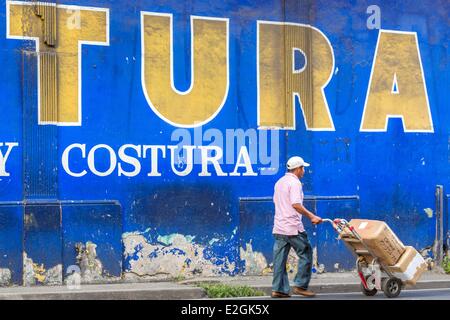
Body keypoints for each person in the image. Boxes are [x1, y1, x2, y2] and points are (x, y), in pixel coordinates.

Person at [271, 156, 323, 298]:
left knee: (279, 260)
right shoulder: (295, 183)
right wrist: (312, 216)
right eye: (303, 168)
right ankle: (300, 285)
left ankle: (278, 289)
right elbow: (296, 204)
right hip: (292, 227)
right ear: (298, 169)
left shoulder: (279, 182)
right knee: (306, 252)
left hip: (279, 227)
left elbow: (276, 202)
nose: (304, 171)